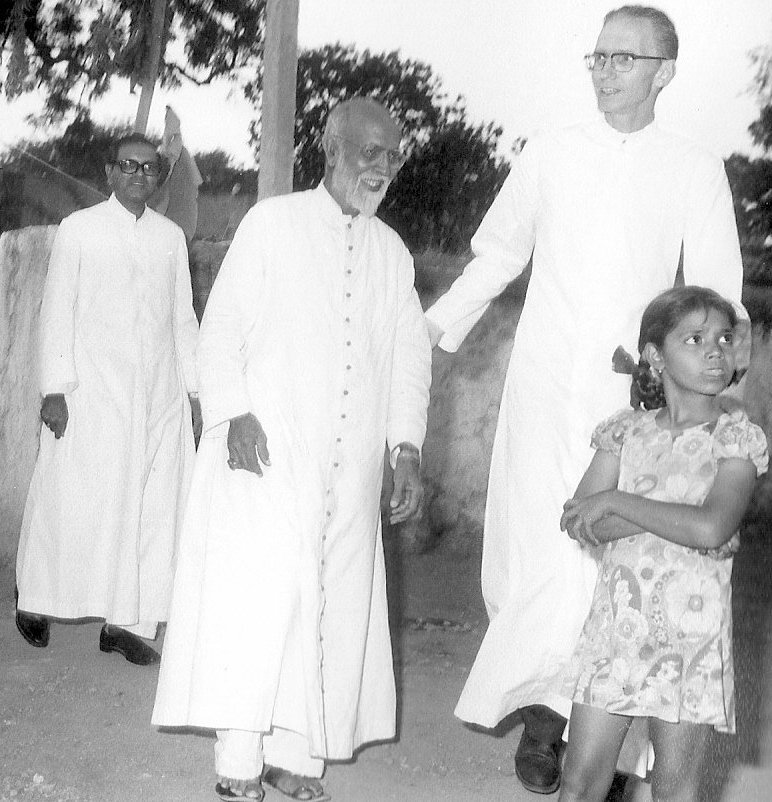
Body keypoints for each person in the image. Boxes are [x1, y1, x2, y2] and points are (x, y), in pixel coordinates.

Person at [424, 5, 749, 794]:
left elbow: (716, 292)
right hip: (545, 387)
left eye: (624, 59)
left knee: (623, 557)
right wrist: (429, 333)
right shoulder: (552, 153)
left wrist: (702, 393)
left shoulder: (693, 167)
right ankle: (548, 708)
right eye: (597, 57)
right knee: (542, 549)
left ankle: (582, 730)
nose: (604, 71)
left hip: (644, 402)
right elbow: (498, 252)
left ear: (663, 72)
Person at [151, 97, 432, 802]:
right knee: (260, 602)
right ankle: (240, 763)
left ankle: (298, 758)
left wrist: (406, 449)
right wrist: (233, 414)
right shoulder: (272, 225)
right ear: (331, 150)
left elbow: (407, 361)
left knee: (333, 603)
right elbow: (221, 330)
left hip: (350, 464)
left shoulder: (392, 253)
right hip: (269, 449)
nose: (384, 167)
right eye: (371, 152)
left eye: (393, 156)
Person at [557, 286, 768, 801]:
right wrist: (667, 512)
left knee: (674, 789)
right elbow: (581, 519)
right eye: (694, 339)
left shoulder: (735, 439)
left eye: (722, 338)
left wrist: (621, 503)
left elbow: (712, 528)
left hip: (690, 639)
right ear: (655, 356)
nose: (715, 350)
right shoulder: (625, 434)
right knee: (580, 781)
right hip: (617, 628)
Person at [14, 133, 200, 666]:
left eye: (149, 168)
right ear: (110, 173)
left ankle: (125, 623)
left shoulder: (170, 238)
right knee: (68, 497)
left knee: (149, 507)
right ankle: (35, 600)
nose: (140, 175)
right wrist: (54, 389)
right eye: (129, 166)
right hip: (91, 392)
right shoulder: (80, 231)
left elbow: (181, 318)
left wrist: (195, 390)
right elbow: (58, 311)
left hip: (157, 396)